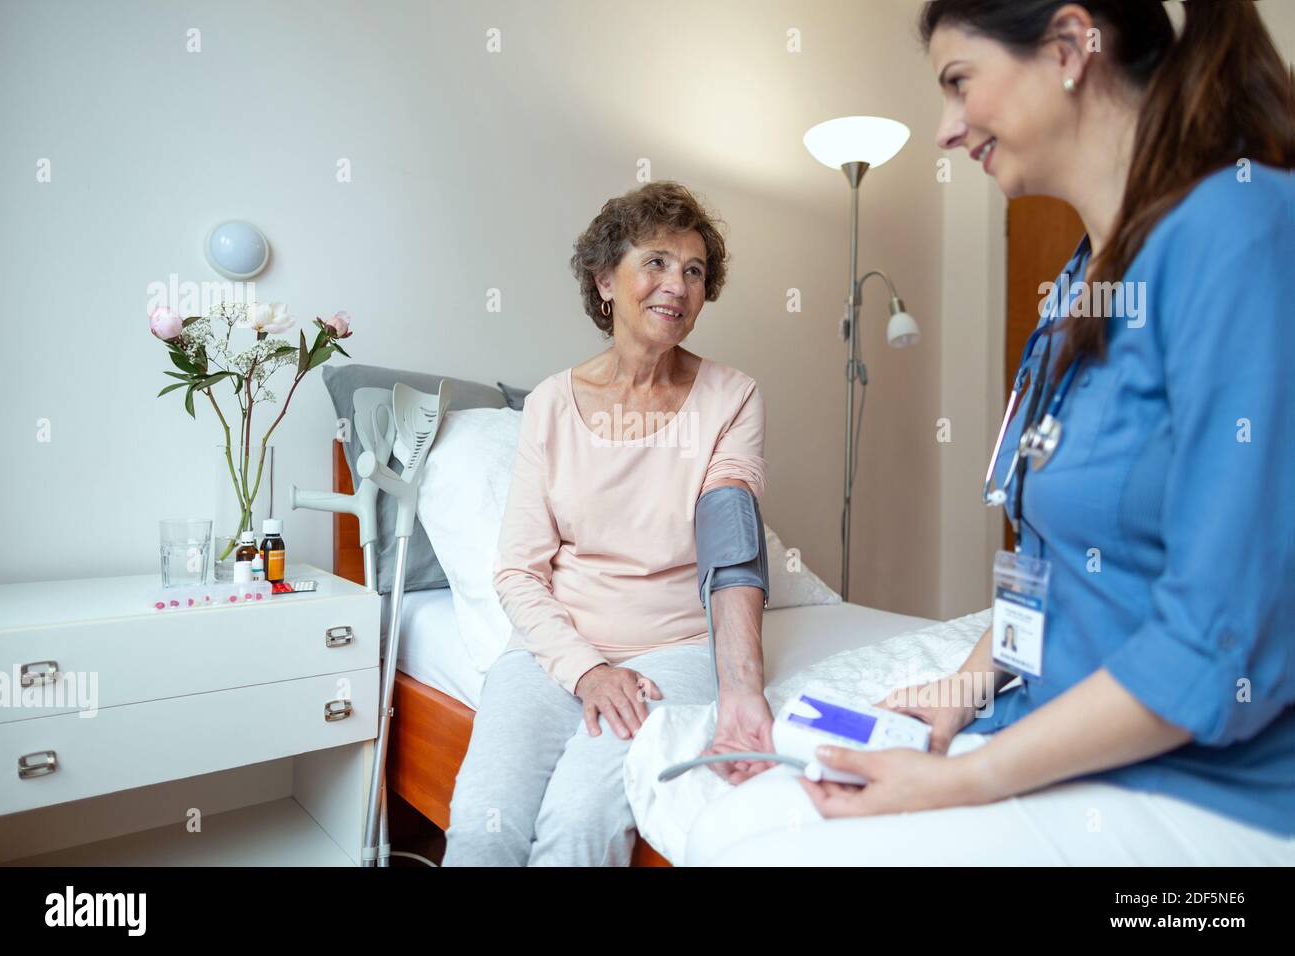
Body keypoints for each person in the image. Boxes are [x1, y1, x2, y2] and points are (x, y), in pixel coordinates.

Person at [686, 0, 1294, 866]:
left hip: (1201, 788)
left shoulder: (1241, 233)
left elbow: (1223, 637)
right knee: (732, 819)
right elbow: (1046, 563)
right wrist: (968, 686)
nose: (944, 129)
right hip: (1050, 731)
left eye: (958, 82)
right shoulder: (1081, 286)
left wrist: (963, 781)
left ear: (1068, 45)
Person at [443, 181, 776, 866]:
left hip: (674, 650)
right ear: (604, 280)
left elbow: (732, 541)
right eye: (655, 262)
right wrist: (587, 670)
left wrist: (742, 687)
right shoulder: (549, 405)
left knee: (579, 826)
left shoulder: (732, 396)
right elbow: (516, 570)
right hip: (553, 649)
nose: (677, 286)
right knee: (484, 828)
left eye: (693, 270)